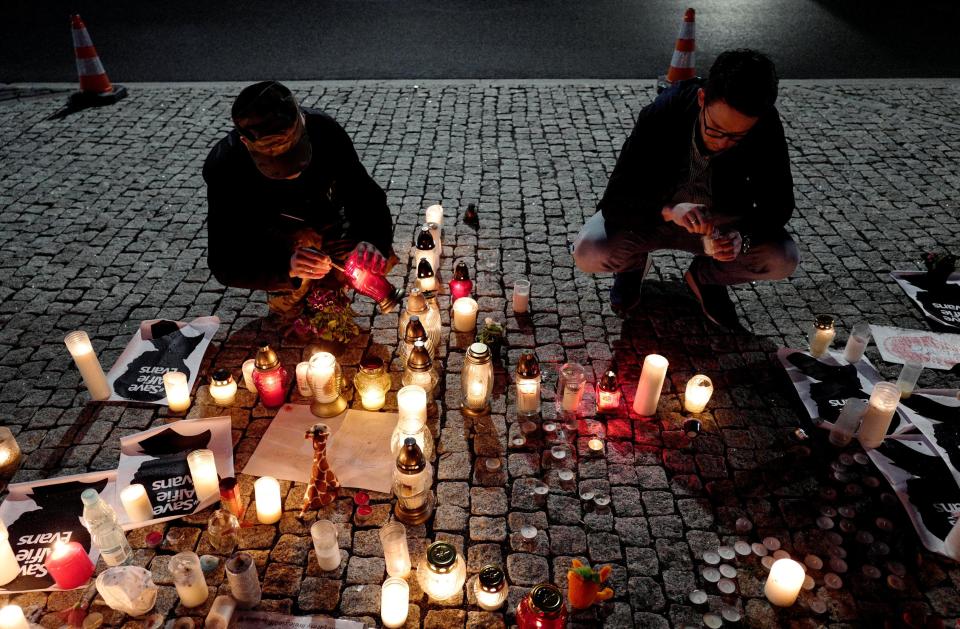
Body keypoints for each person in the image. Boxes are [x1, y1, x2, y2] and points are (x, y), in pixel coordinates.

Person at [572, 49, 799, 329]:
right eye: (715, 130)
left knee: (783, 259)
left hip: (719, 229)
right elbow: (617, 199)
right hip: (653, 218)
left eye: (736, 137)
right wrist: (669, 210)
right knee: (589, 251)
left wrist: (743, 237)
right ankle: (631, 267)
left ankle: (706, 278)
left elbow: (779, 204)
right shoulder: (665, 113)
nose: (722, 143)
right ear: (703, 99)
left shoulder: (765, 127)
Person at [203, 80, 395, 322]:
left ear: (303, 122)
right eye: (274, 163)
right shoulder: (226, 167)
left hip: (331, 226)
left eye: (295, 154)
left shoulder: (325, 132)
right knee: (293, 292)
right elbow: (224, 261)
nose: (292, 171)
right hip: (275, 242)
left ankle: (331, 284)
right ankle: (298, 292)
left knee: (373, 264)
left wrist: (370, 239)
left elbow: (366, 196)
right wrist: (287, 265)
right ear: (245, 142)